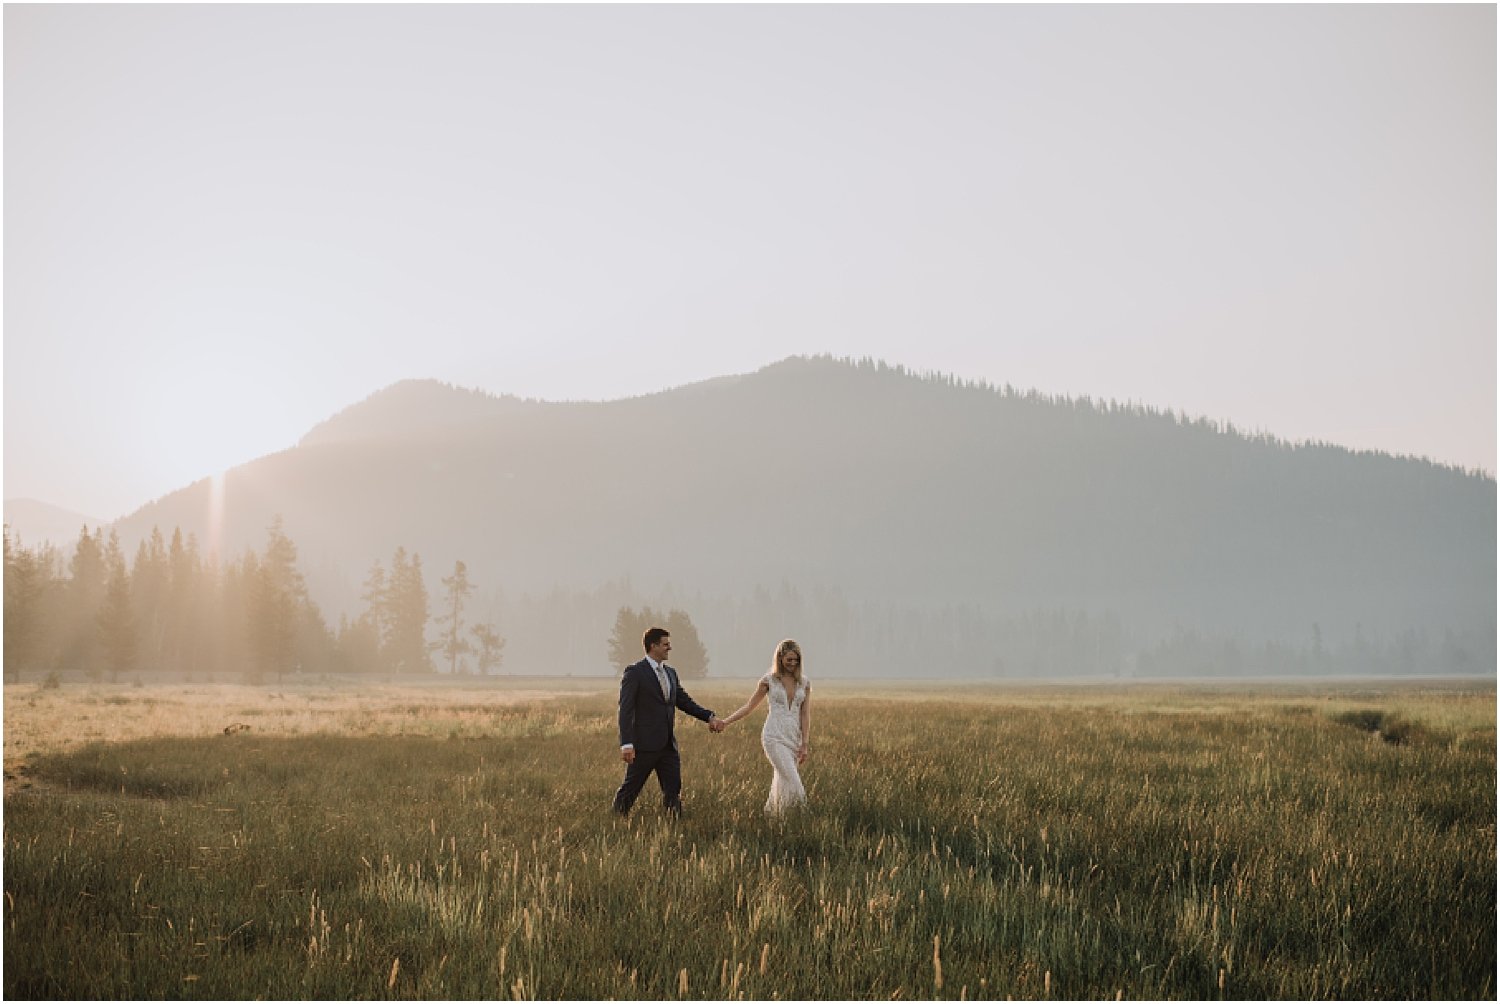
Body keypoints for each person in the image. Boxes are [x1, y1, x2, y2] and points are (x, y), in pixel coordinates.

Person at [613, 626, 724, 817]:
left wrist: (709, 716)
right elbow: (626, 710)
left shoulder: (671, 673)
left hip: (667, 746)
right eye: (665, 644)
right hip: (644, 746)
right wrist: (627, 744)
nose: (669, 648)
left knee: (673, 791)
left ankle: (674, 825)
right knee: (630, 790)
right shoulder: (635, 672)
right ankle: (614, 821)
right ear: (653, 646)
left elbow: (683, 701)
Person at [720, 639, 811, 814]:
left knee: (782, 781)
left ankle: (776, 819)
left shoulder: (804, 683)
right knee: (794, 781)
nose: (793, 663)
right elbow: (748, 707)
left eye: (796, 660)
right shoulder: (769, 681)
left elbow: (805, 714)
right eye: (789, 659)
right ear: (780, 658)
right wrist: (726, 722)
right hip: (773, 737)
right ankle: (805, 814)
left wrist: (805, 743)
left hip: (794, 738)